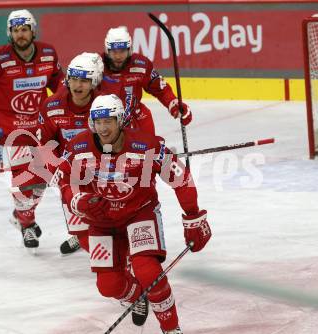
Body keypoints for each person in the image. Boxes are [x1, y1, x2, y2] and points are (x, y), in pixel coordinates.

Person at [54, 94, 211, 333]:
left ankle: (171, 328)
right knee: (108, 286)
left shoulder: (147, 145)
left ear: (122, 120)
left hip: (139, 213)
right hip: (101, 221)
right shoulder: (78, 146)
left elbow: (181, 179)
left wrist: (193, 216)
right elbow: (64, 179)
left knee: (148, 270)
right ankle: (138, 295)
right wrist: (77, 200)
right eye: (98, 121)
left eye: (109, 121)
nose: (103, 128)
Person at [0, 9, 64, 250]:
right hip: (10, 131)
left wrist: (67, 112)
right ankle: (27, 223)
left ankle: (21, 215)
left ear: (33, 31)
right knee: (24, 181)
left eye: (24, 29)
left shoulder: (48, 54)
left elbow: (58, 83)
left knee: (43, 178)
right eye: (15, 30)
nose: (20, 35)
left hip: (42, 128)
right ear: (9, 33)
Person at [39, 52, 104, 254]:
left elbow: (123, 139)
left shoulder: (105, 106)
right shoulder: (52, 107)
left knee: (110, 221)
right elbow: (45, 147)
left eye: (84, 80)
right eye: (74, 79)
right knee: (87, 238)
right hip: (71, 175)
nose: (77, 85)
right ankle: (81, 235)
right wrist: (55, 169)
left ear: (95, 81)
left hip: (103, 173)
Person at [100, 26, 192, 135]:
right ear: (107, 51)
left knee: (150, 147)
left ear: (129, 49)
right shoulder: (96, 66)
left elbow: (160, 89)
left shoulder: (141, 65)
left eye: (122, 51)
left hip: (135, 116)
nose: (118, 56)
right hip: (103, 120)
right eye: (114, 52)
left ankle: (154, 151)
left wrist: (174, 104)